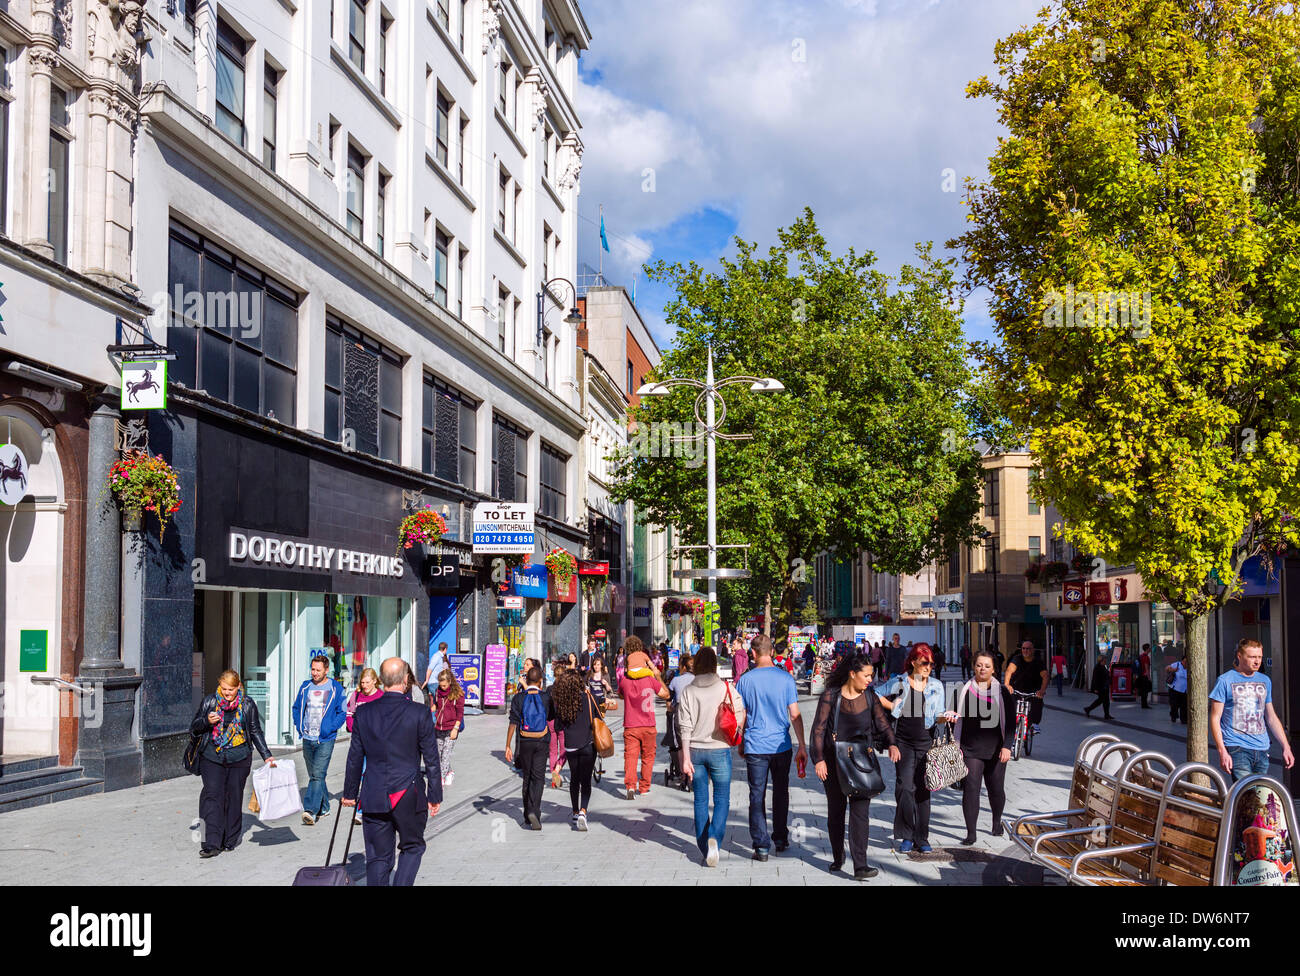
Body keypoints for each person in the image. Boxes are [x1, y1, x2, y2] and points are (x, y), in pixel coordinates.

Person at [341, 657, 442, 886]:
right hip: (408, 793)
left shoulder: (364, 713)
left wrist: (349, 793)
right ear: (406, 680)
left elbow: (355, 756)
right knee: (413, 847)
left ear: (382, 680)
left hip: (374, 793)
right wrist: (435, 795)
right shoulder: (419, 713)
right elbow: (432, 759)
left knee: (377, 857)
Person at [810, 652, 898, 880]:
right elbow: (819, 729)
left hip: (861, 762)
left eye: (872, 675)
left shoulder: (870, 697)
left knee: (860, 814)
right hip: (833, 762)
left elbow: (883, 724)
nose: (870, 680)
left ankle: (860, 865)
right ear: (852, 674)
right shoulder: (832, 696)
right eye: (867, 675)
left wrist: (892, 744)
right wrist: (818, 758)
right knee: (836, 811)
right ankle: (838, 856)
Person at [735, 633, 808, 861]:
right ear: (770, 651)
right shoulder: (785, 678)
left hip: (755, 745)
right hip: (781, 745)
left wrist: (741, 740)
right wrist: (802, 746)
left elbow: (742, 715)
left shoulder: (745, 681)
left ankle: (761, 845)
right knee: (780, 792)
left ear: (754, 654)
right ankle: (780, 837)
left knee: (756, 794)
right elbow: (795, 715)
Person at [877, 644, 955, 853]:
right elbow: (875, 694)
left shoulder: (936, 686)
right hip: (902, 742)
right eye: (924, 663)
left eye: (931, 663)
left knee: (923, 789)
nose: (928, 667)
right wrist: (892, 706)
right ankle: (906, 835)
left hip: (926, 742)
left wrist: (946, 716)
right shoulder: (900, 682)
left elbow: (937, 716)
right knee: (904, 788)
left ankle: (922, 837)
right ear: (913, 662)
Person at [191, 669, 275, 858]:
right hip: (212, 757)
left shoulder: (247, 704)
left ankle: (230, 838)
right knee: (213, 796)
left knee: (233, 797)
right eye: (224, 689)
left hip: (239, 758)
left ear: (238, 687)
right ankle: (211, 843)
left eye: (231, 689)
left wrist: (266, 755)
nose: (227, 694)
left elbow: (254, 731)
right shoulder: (210, 702)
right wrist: (206, 721)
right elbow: (194, 727)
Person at [677, 646, 745, 866]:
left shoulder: (689, 690)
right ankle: (715, 836)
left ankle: (704, 845)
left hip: (695, 751)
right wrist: (737, 731)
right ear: (715, 663)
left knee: (700, 799)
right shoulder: (725, 687)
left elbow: (683, 726)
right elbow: (741, 712)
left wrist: (685, 757)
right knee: (722, 798)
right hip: (719, 749)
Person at [1210, 638, 1295, 783]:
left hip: (1262, 748)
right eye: (1252, 657)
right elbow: (1215, 718)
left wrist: (1286, 746)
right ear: (1239, 656)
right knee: (1248, 791)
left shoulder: (1265, 680)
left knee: (1257, 793)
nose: (1257, 661)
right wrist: (1222, 750)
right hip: (1237, 746)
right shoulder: (1225, 680)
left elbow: (1271, 717)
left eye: (1259, 657)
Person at [953, 650, 1013, 844]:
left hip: (996, 749)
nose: (982, 669)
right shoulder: (963, 689)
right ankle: (971, 833)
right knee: (971, 789)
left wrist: (1007, 746)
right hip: (971, 749)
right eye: (979, 665)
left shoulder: (1002, 691)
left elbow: (1011, 722)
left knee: (996, 789)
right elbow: (956, 717)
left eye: (987, 666)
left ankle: (996, 821)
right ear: (973, 666)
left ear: (994, 669)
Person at [292, 654, 347, 826]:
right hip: (307, 737)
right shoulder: (305, 686)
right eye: (312, 669)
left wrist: (331, 727)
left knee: (317, 775)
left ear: (326, 670)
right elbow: (296, 708)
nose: (314, 673)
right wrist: (298, 726)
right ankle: (324, 807)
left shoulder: (336, 688)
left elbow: (342, 712)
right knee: (315, 775)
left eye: (318, 670)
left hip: (325, 738)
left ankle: (311, 811)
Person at [618, 636, 670, 799]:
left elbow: (620, 695)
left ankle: (630, 786)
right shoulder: (650, 680)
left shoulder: (624, 682)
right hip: (648, 725)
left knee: (630, 756)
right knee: (648, 757)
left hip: (631, 725)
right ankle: (645, 787)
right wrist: (657, 675)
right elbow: (666, 694)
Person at [504, 665, 552, 829]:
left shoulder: (519, 698)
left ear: (527, 680)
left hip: (525, 741)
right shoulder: (546, 697)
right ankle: (535, 811)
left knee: (527, 776)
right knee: (538, 778)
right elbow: (551, 715)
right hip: (542, 740)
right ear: (540, 682)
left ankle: (526, 814)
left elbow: (513, 722)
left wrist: (508, 745)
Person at [552, 669, 599, 830]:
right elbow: (597, 718)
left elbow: (558, 726)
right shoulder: (587, 698)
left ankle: (574, 811)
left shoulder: (562, 702)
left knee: (574, 778)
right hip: (587, 744)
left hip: (570, 746)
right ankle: (583, 812)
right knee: (586, 781)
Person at [345, 667, 383, 825]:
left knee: (368, 775)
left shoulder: (381, 696)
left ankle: (361, 811)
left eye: (367, 682)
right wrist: (355, 728)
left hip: (375, 743)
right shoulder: (356, 695)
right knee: (361, 774)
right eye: (362, 682)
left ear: (374, 681)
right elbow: (349, 714)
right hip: (359, 741)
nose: (365, 685)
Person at [1003, 640, 1048, 733]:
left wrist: (1042, 690)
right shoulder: (1017, 659)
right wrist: (1007, 685)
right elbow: (1009, 671)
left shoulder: (1038, 661)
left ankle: (1035, 725)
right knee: (1010, 704)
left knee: (1038, 700)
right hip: (1017, 688)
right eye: (1023, 648)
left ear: (1033, 650)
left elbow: (1045, 676)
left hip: (1033, 689)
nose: (1025, 650)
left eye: (1028, 648)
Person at [432, 668, 465, 787]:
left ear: (450, 682)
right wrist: (433, 707)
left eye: (444, 685)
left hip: (451, 727)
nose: (443, 688)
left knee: (446, 755)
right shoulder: (437, 692)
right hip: (439, 727)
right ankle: (449, 772)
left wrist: (455, 729)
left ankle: (440, 779)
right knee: (440, 754)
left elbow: (460, 713)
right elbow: (437, 704)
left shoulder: (458, 694)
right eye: (441, 685)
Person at [1084, 655, 1112, 719]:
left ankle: (1106, 715)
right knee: (1101, 700)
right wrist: (1096, 688)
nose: (1105, 661)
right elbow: (1095, 679)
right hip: (1100, 687)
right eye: (1104, 660)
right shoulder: (1097, 667)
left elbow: (1106, 674)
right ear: (1101, 660)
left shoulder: (1103, 666)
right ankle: (1088, 709)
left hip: (1104, 687)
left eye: (1105, 660)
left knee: (1105, 701)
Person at [350, 596, 368, 686]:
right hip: (355, 654)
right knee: (355, 678)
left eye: (359, 602)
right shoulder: (354, 621)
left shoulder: (363, 618)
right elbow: (353, 640)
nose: (357, 604)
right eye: (356, 602)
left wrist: (365, 654)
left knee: (362, 677)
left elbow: (365, 636)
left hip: (361, 653)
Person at [1167, 652, 1189, 724]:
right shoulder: (1177, 664)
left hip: (1184, 690)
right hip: (1175, 689)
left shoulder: (1190, 667)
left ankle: (1184, 719)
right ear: (1182, 661)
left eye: (1187, 661)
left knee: (1184, 705)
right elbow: (1167, 668)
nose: (1186, 663)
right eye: (1185, 661)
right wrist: (1172, 670)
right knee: (1174, 705)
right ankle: (1173, 716)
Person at [1136, 643, 1153, 708]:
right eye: (1149, 648)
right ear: (1147, 649)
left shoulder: (1141, 656)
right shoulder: (1146, 657)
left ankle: (1143, 704)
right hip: (1144, 676)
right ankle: (1144, 704)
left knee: (1143, 691)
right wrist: (1149, 677)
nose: (1150, 649)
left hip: (1140, 675)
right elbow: (1146, 667)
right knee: (1145, 691)